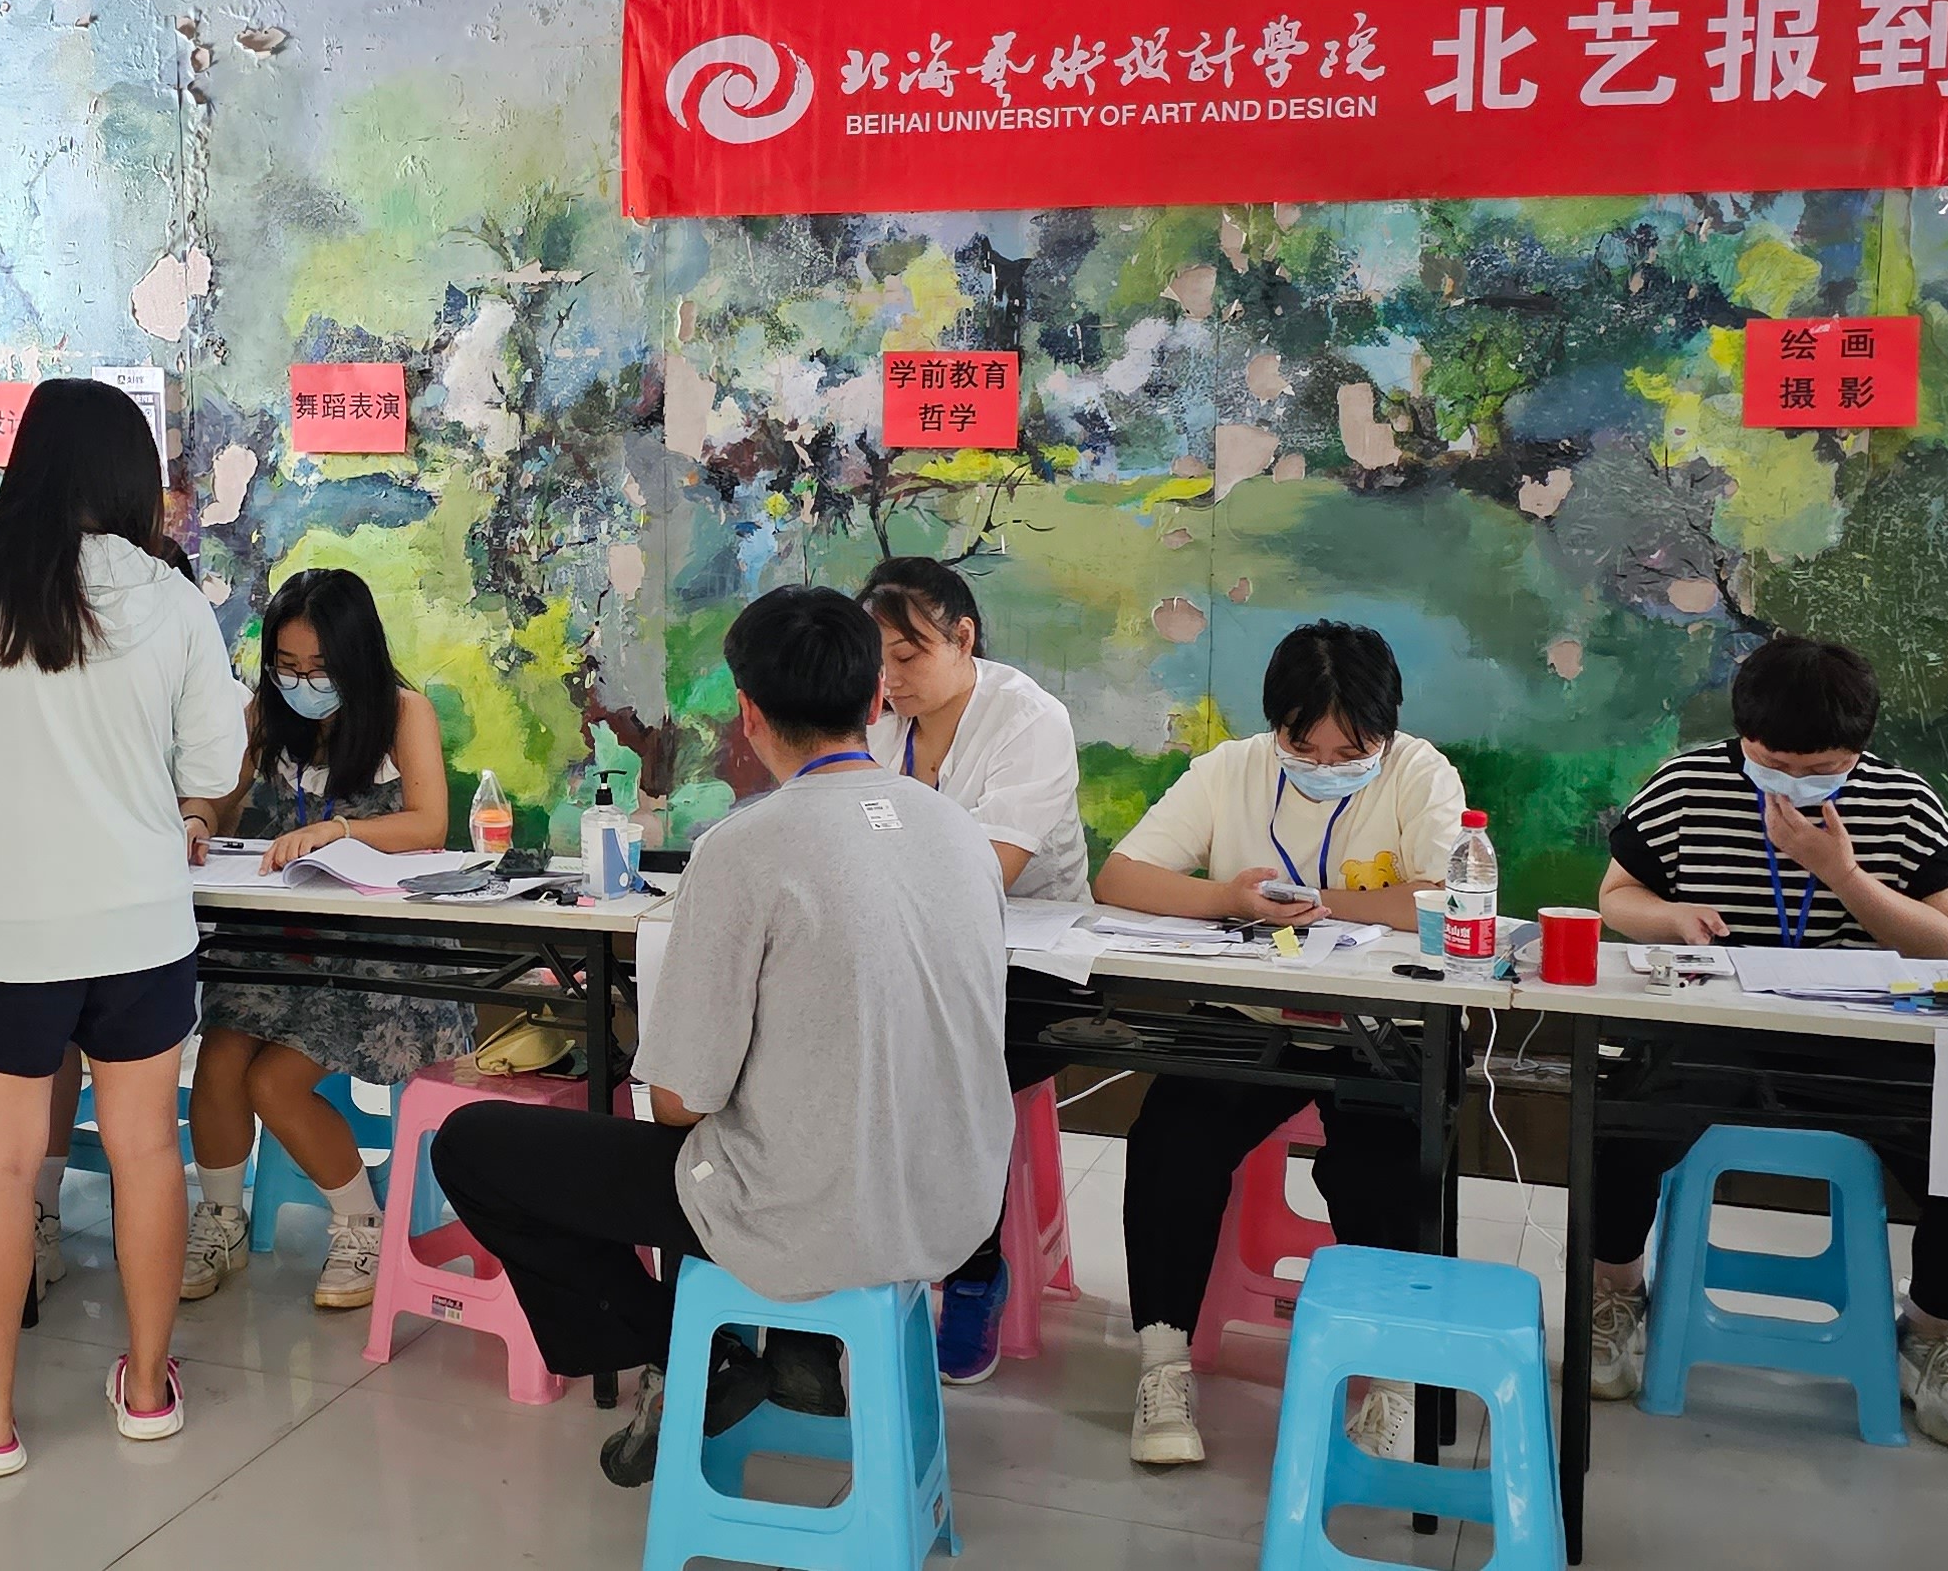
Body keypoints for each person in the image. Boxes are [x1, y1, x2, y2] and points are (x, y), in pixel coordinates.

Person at [431, 584, 1010, 1487]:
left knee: (477, 1147)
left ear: (748, 714)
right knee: (757, 1130)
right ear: (874, 701)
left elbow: (678, 1101)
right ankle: (788, 1346)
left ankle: (694, 1353)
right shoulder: (959, 832)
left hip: (818, 1212)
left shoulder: (747, 847)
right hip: (957, 1201)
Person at [0, 376, 245, 1480]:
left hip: (3, 927)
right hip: (141, 921)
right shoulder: (175, 601)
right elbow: (214, 765)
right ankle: (146, 1392)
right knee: (146, 1150)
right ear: (132, 479)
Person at [1590, 633, 1948, 1452]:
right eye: (1771, 760)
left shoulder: (1903, 802)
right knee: (1617, 1126)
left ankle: (1930, 1334)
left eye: (1820, 768)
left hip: (1864, 1040)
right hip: (1719, 1026)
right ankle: (1617, 1295)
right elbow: (1617, 895)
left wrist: (1841, 874)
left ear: (1859, 747)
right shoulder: (1686, 785)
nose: (1792, 779)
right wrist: (1671, 917)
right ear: (1743, 734)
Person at [1091, 620, 1465, 1467]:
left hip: (1383, 1029)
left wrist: (1321, 904)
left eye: (1351, 751)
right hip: (1253, 1017)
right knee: (1170, 1142)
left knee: (1381, 1167)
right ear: (1276, 728)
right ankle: (1163, 1367)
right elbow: (1119, 877)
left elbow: (1447, 900)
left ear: (1386, 730)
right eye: (1304, 747)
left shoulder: (1420, 772)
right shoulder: (1232, 770)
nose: (1327, 765)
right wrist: (1229, 899)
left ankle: (1396, 1380)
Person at [182, 568, 475, 1308]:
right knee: (218, 1064)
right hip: (273, 940)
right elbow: (219, 796)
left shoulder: (404, 713)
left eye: (320, 668)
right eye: (287, 666)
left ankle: (360, 1227)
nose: (302, 684)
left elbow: (429, 824)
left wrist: (339, 830)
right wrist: (198, 818)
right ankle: (220, 1222)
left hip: (378, 952)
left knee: (272, 1082)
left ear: (356, 657)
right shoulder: (263, 714)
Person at [854, 554, 1091, 1384]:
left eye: (908, 655)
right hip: (906, 952)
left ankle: (973, 1268)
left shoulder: (1029, 720)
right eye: (877, 659)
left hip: (1031, 966)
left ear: (963, 637)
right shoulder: (879, 722)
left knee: (938, 1058)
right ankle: (856, 1254)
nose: (890, 679)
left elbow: (990, 873)